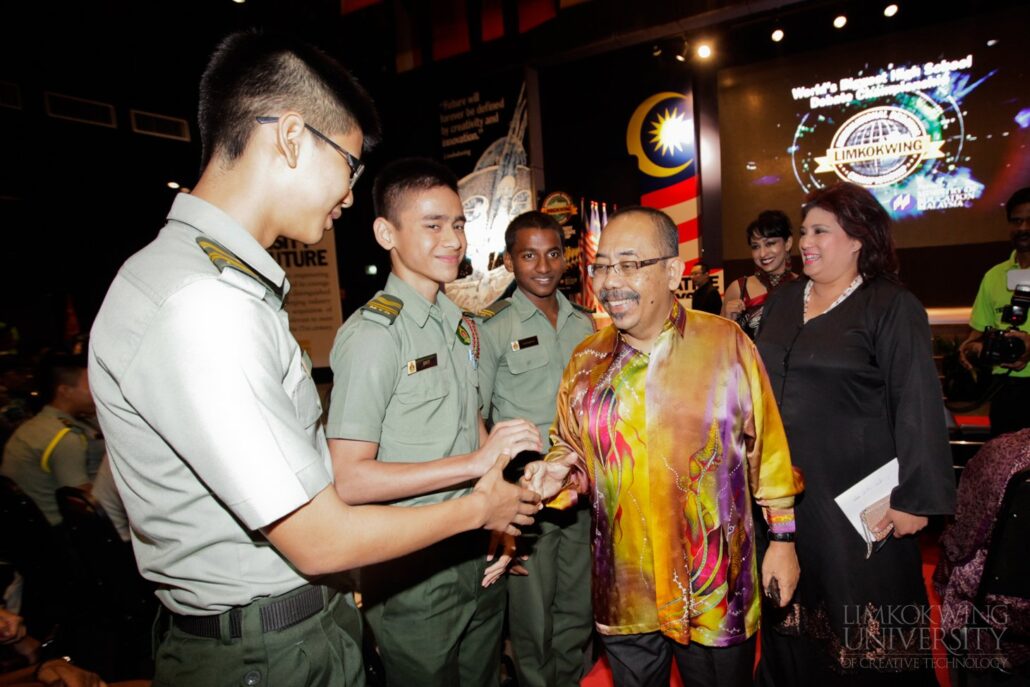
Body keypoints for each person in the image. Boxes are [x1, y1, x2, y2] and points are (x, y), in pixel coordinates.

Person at [87, 32, 539, 687]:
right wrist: (480, 506)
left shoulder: (205, 284)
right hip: (265, 653)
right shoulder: (201, 303)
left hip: (286, 630)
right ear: (292, 137)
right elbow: (319, 532)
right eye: (349, 165)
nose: (351, 195)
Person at [523, 206, 804, 687]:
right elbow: (572, 451)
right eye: (602, 266)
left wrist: (782, 540)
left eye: (629, 265)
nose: (611, 282)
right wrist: (556, 474)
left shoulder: (725, 345)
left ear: (673, 272)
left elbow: (769, 452)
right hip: (625, 585)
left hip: (714, 587)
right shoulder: (587, 361)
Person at [326, 158, 543, 687]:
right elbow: (349, 478)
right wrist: (474, 465)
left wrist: (498, 514)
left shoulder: (460, 324)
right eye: (433, 225)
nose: (453, 240)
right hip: (412, 572)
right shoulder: (375, 335)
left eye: (459, 224)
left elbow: (476, 432)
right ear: (386, 233)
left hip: (476, 553)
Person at [755, 182, 956, 686]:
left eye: (821, 230)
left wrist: (916, 497)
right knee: (793, 615)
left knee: (865, 623)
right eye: (804, 231)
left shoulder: (889, 305)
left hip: (859, 503)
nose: (806, 242)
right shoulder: (781, 303)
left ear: (858, 239)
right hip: (785, 500)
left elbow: (917, 402)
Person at [477, 211, 595, 687]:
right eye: (529, 255)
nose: (543, 266)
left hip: (580, 488)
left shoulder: (583, 322)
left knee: (578, 610)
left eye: (552, 253)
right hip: (526, 496)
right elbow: (476, 419)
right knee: (531, 621)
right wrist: (494, 502)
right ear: (509, 261)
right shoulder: (492, 326)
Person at [958, 187, 1030, 436]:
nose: (1023, 228)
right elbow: (976, 334)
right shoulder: (994, 276)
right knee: (1005, 471)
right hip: (1005, 392)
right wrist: (972, 349)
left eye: (1029, 221)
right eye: (1017, 221)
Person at [1, 353, 102, 526]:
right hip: (62, 533)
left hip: (25, 527)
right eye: (90, 384)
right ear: (65, 391)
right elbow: (85, 504)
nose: (98, 389)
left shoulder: (37, 424)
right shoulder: (64, 438)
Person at [721, 210, 798, 339]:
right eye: (755, 247)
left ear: (788, 243)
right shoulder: (739, 289)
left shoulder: (804, 286)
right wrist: (729, 323)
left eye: (770, 244)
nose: (762, 254)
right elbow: (720, 345)